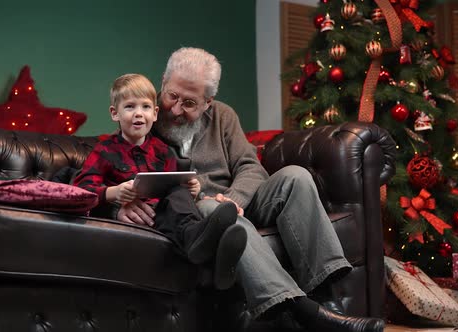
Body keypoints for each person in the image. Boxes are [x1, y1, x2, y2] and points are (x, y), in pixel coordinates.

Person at [114, 48, 385, 332]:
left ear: (208, 102)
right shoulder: (143, 117)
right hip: (199, 212)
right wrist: (121, 202)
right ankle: (303, 311)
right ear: (164, 81)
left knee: (296, 177)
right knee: (219, 213)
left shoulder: (223, 117)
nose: (176, 109)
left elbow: (250, 167)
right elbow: (120, 172)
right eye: (172, 96)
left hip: (237, 199)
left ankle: (329, 300)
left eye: (190, 102)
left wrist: (235, 198)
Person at [73, 73, 247, 289]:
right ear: (114, 113)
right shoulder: (104, 150)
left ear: (155, 114)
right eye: (129, 107)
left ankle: (201, 239)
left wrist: (193, 190)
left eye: (145, 107)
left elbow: (176, 194)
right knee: (178, 212)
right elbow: (80, 190)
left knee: (179, 193)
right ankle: (210, 256)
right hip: (140, 217)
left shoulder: (163, 151)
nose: (139, 114)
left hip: (167, 216)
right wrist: (113, 193)